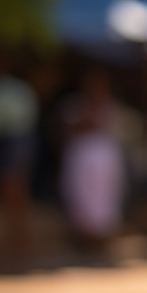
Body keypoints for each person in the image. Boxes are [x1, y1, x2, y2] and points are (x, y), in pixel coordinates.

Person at [57, 67, 127, 253]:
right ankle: (86, 241)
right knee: (81, 195)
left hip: (104, 158)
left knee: (104, 198)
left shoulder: (111, 106)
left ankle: (102, 240)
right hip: (81, 158)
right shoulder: (74, 105)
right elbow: (66, 129)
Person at [0, 51, 39, 261]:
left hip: (10, 144)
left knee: (12, 193)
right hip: (25, 141)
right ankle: (21, 245)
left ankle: (19, 246)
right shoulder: (20, 87)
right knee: (19, 195)